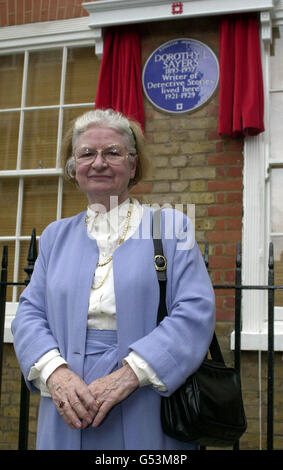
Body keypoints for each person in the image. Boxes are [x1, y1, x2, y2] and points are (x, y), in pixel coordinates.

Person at [12, 108, 215, 450]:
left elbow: (195, 311)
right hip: (67, 400)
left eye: (113, 152)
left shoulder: (170, 227)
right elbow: (30, 314)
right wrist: (55, 374)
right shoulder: (54, 236)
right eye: (87, 153)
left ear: (133, 165)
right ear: (73, 168)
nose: (99, 162)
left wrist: (130, 375)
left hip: (145, 396)